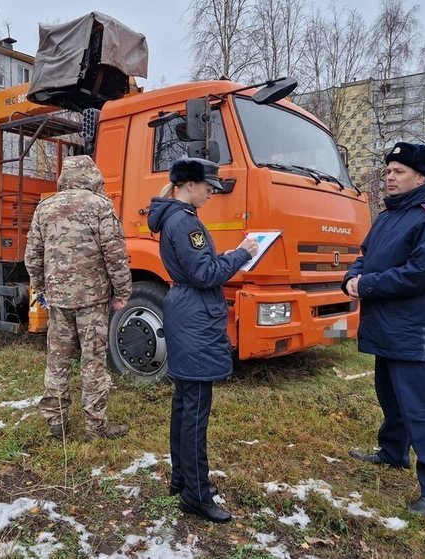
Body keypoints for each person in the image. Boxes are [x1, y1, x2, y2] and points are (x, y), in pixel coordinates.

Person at [342, 142, 425, 517]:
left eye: (399, 172)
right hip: (384, 327)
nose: (389, 177)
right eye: (388, 171)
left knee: (420, 409)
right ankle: (393, 453)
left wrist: (367, 286)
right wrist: (352, 278)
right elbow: (365, 257)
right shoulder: (388, 216)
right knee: (390, 398)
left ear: (420, 177)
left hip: (411, 329)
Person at [147, 157, 259, 523]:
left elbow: (198, 268)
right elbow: (205, 273)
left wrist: (220, 258)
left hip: (187, 310)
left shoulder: (175, 218)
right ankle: (196, 494)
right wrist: (242, 254)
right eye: (208, 186)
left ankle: (182, 480)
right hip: (195, 315)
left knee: (185, 404)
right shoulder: (185, 222)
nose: (212, 192)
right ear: (188, 185)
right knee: (195, 410)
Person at [25, 155, 132, 442]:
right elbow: (115, 254)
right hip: (92, 298)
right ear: (92, 175)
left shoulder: (44, 208)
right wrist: (122, 292)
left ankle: (56, 422)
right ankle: (95, 426)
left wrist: (40, 287)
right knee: (93, 360)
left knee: (57, 359)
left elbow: (33, 254)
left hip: (58, 298)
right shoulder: (100, 206)